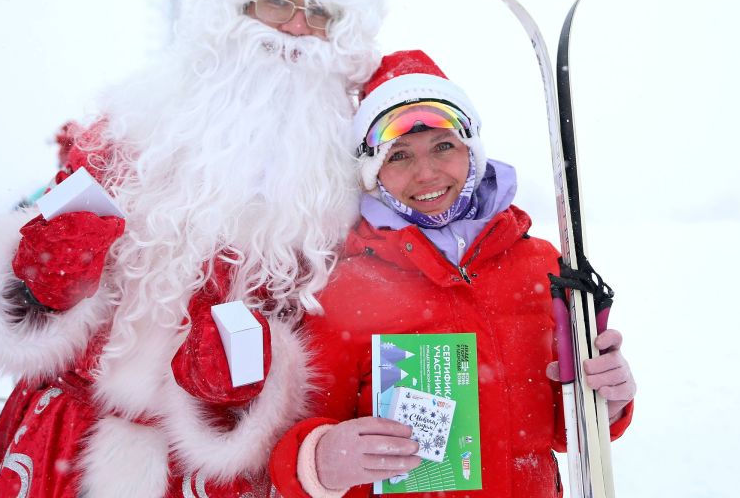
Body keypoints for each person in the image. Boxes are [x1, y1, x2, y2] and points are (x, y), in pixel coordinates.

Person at [0, 0, 384, 498]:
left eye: (319, 14)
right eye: (279, 3)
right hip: (68, 441)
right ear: (226, 15)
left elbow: (335, 352)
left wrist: (253, 385)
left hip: (207, 474)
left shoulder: (342, 192)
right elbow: (23, 309)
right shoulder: (124, 137)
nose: (298, 28)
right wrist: (40, 284)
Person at [268, 50, 636, 497]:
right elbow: (290, 435)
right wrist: (321, 459)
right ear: (370, 172)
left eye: (443, 146)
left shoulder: (540, 264)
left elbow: (563, 431)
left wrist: (607, 400)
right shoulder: (346, 288)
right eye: (399, 155)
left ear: (472, 152)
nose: (426, 173)